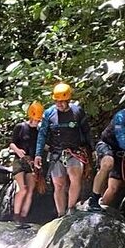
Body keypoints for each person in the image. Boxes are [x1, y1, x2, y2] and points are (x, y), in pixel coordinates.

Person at [33, 83, 93, 217]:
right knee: (58, 184)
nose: (58, 104)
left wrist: (91, 149)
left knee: (74, 177)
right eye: (56, 101)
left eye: (61, 102)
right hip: (56, 153)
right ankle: (61, 214)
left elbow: (86, 131)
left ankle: (71, 209)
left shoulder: (77, 112)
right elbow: (42, 134)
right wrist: (38, 154)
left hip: (75, 151)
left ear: (68, 100)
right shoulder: (49, 113)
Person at [9, 101, 44, 229]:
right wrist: (18, 151)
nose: (36, 122)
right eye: (35, 119)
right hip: (19, 160)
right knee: (22, 188)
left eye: (38, 119)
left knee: (30, 190)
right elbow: (12, 143)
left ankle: (23, 217)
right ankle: (16, 216)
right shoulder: (20, 127)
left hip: (32, 162)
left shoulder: (40, 131)